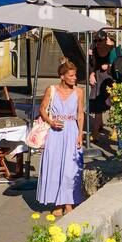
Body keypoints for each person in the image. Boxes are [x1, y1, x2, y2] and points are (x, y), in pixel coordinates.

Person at [37, 59, 85, 216]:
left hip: (71, 130)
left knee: (70, 168)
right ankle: (58, 202)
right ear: (62, 76)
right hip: (55, 132)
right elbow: (42, 109)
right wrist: (51, 122)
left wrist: (80, 134)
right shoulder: (51, 90)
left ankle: (69, 202)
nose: (74, 78)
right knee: (55, 166)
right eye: (71, 75)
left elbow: (80, 114)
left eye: (75, 75)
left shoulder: (79, 92)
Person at [87, 30, 122, 144]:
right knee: (98, 104)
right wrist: (91, 74)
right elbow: (92, 65)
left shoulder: (112, 49)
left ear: (106, 40)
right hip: (99, 77)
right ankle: (95, 132)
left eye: (100, 40)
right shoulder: (94, 50)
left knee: (114, 103)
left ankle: (114, 130)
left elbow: (118, 64)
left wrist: (109, 66)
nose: (98, 43)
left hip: (111, 77)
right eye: (96, 41)